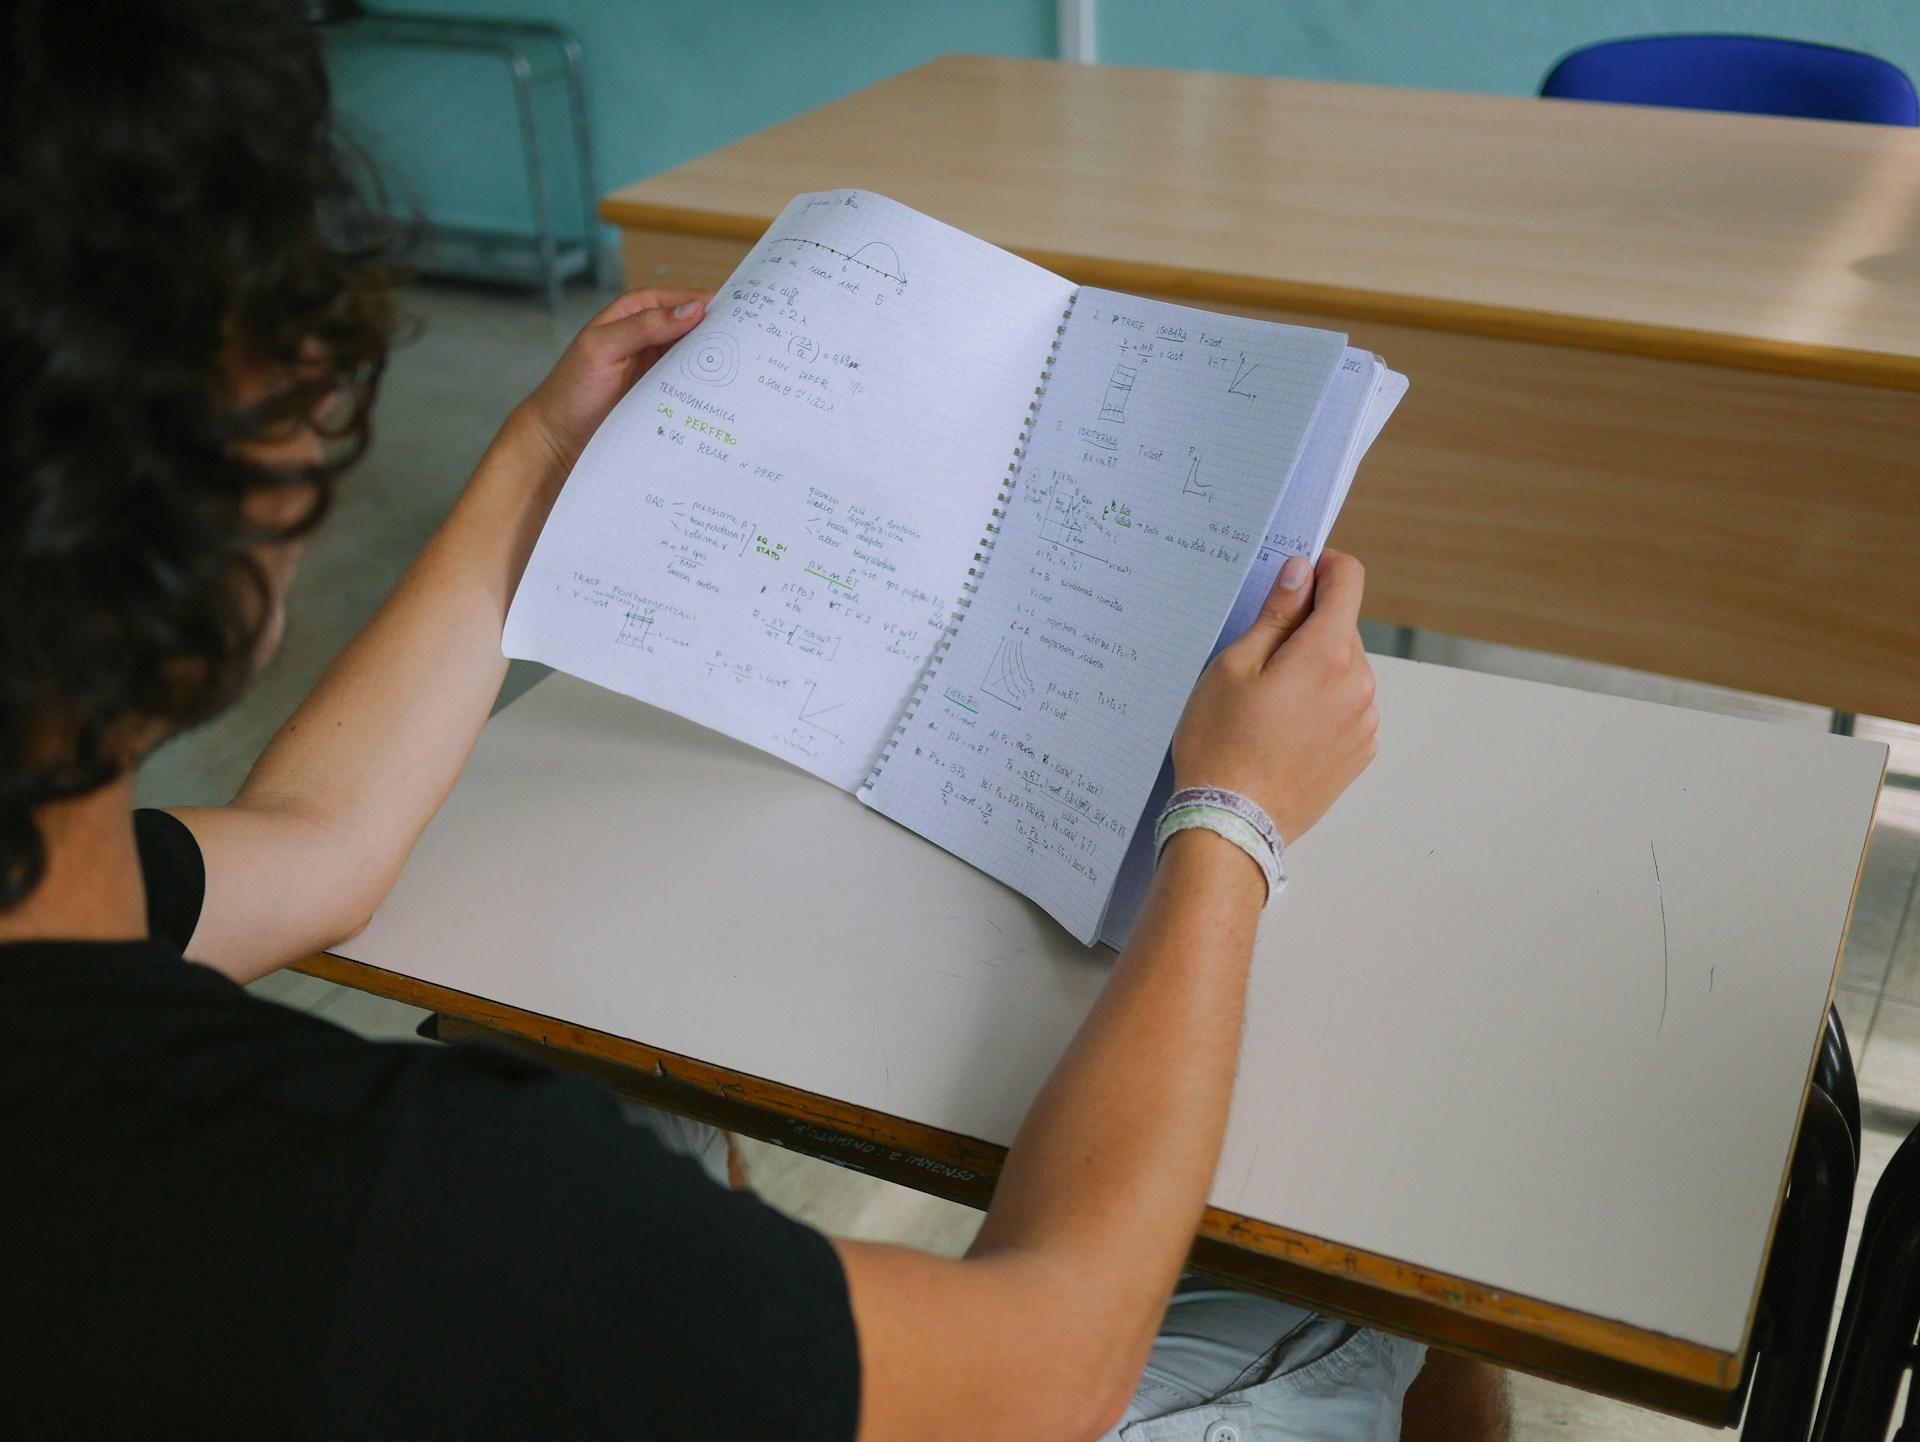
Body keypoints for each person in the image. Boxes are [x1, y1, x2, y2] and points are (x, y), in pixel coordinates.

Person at [2, 2, 1507, 1436]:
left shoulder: (60, 901)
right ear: (240, 434)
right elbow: (1054, 1358)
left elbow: (306, 841)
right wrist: (1228, 819)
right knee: (1356, 1288)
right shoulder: (405, 1197)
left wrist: (542, 452)